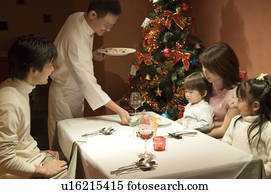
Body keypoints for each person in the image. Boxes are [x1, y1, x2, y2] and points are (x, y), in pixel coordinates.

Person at [48, 0, 131, 148]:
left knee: (74, 139)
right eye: (106, 25)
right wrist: (118, 110)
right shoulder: (77, 38)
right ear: (93, 14)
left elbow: (67, 53)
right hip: (65, 94)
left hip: (75, 90)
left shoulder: (77, 17)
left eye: (112, 26)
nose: (109, 29)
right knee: (62, 143)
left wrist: (92, 55)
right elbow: (88, 82)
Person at [0, 35, 68, 178]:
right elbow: (4, 160)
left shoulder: (18, 88)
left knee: (70, 157)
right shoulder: (9, 103)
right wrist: (43, 170)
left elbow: (18, 139)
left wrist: (37, 152)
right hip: (16, 176)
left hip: (32, 159)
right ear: (33, 70)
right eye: (49, 64)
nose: (52, 69)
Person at [222, 74, 271, 178]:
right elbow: (225, 144)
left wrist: (254, 175)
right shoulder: (235, 121)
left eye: (240, 100)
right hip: (234, 173)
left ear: (255, 106)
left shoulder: (267, 128)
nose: (236, 103)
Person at [199, 42, 240, 138]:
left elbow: (223, 131)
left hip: (219, 141)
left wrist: (195, 135)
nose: (205, 71)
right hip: (202, 135)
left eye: (210, 68)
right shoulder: (206, 84)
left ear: (224, 68)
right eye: (203, 66)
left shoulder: (236, 94)